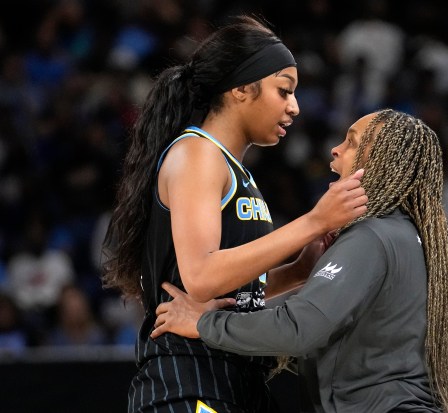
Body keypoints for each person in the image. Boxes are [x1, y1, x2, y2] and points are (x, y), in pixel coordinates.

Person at [101, 15, 368, 413]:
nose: (294, 107)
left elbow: (233, 293)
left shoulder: (231, 166)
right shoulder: (197, 153)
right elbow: (203, 277)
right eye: (284, 91)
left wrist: (297, 271)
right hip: (187, 376)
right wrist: (314, 221)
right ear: (242, 89)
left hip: (232, 373)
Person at [151, 109, 448, 413]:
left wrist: (204, 323)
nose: (335, 150)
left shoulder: (371, 235)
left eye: (351, 143)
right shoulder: (405, 234)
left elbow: (297, 329)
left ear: (382, 161)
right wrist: (300, 271)